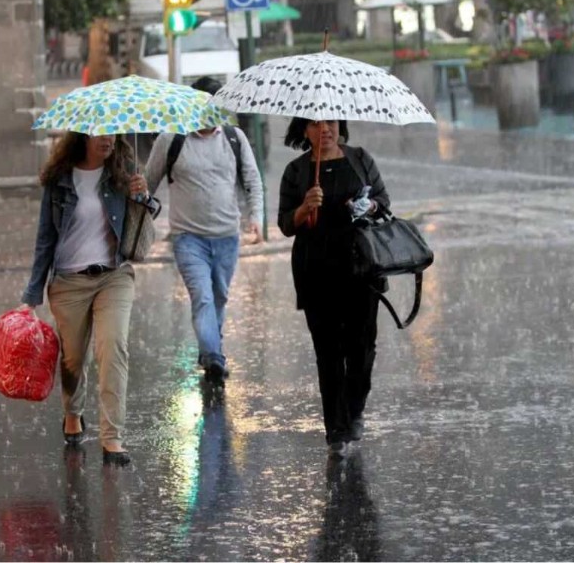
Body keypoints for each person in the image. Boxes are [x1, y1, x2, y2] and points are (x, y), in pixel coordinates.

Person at [21, 131, 151, 466]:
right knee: (73, 359)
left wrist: (142, 198)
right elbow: (44, 239)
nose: (108, 140)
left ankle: (112, 438)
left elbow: (142, 227)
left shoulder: (123, 170)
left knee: (113, 347)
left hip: (114, 275)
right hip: (69, 282)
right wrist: (32, 294)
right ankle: (72, 411)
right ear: (82, 137)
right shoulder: (60, 179)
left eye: (112, 133)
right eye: (99, 135)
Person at [277, 118, 390, 459]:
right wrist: (304, 209)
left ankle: (354, 410)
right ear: (304, 131)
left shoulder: (360, 159)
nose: (324, 128)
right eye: (315, 124)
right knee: (328, 351)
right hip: (316, 270)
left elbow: (383, 201)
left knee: (362, 347)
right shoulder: (297, 172)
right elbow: (284, 223)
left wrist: (369, 205)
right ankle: (336, 430)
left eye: (331, 122)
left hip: (360, 266)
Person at [144, 76, 264, 384]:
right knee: (203, 298)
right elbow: (149, 183)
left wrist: (256, 218)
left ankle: (210, 348)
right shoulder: (172, 139)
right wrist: (135, 206)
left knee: (220, 297)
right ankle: (213, 356)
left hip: (227, 236)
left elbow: (252, 180)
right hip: (188, 238)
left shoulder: (234, 138)